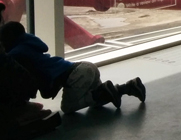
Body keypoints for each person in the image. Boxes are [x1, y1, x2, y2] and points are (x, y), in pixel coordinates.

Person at [0, 22, 146, 114]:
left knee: (68, 107)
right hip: (84, 68)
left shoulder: (16, 54)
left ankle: (107, 89)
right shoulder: (31, 46)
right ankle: (128, 87)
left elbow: (39, 80)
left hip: (76, 76)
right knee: (97, 100)